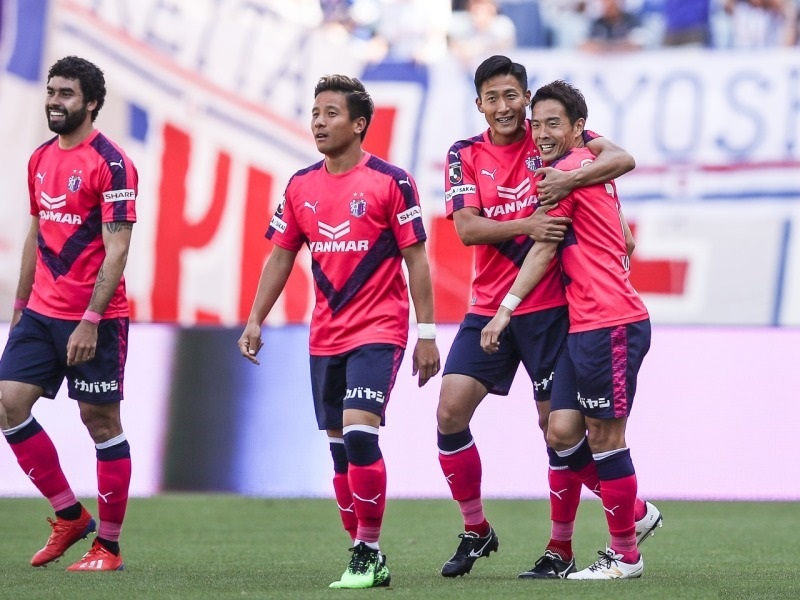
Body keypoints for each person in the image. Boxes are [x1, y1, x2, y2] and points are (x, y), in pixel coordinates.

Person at [438, 54, 660, 580]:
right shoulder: (465, 153)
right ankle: (477, 527)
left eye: (512, 95)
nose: (505, 108)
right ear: (479, 105)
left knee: (558, 429)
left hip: (558, 311)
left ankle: (562, 550)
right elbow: (467, 230)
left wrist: (597, 207)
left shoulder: (559, 143)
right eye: (492, 98)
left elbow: (619, 159)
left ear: (527, 97)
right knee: (450, 412)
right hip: (491, 304)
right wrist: (531, 220)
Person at [237, 74, 440, 590]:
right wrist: (256, 318)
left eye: (330, 113)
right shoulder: (300, 185)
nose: (319, 122)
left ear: (359, 123)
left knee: (358, 430)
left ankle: (369, 552)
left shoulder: (391, 182)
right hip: (324, 335)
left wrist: (428, 332)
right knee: (339, 449)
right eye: (315, 113)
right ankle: (359, 549)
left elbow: (417, 258)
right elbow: (281, 255)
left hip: (380, 328)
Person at [0, 56, 137, 571]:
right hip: (39, 313)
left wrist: (91, 319)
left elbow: (118, 249)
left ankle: (110, 546)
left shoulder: (113, 163)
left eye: (67, 94)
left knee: (100, 423)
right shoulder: (38, 159)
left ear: (92, 103)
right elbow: (36, 235)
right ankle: (68, 515)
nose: (54, 101)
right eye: (52, 91)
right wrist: (18, 307)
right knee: (7, 404)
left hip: (94, 318)